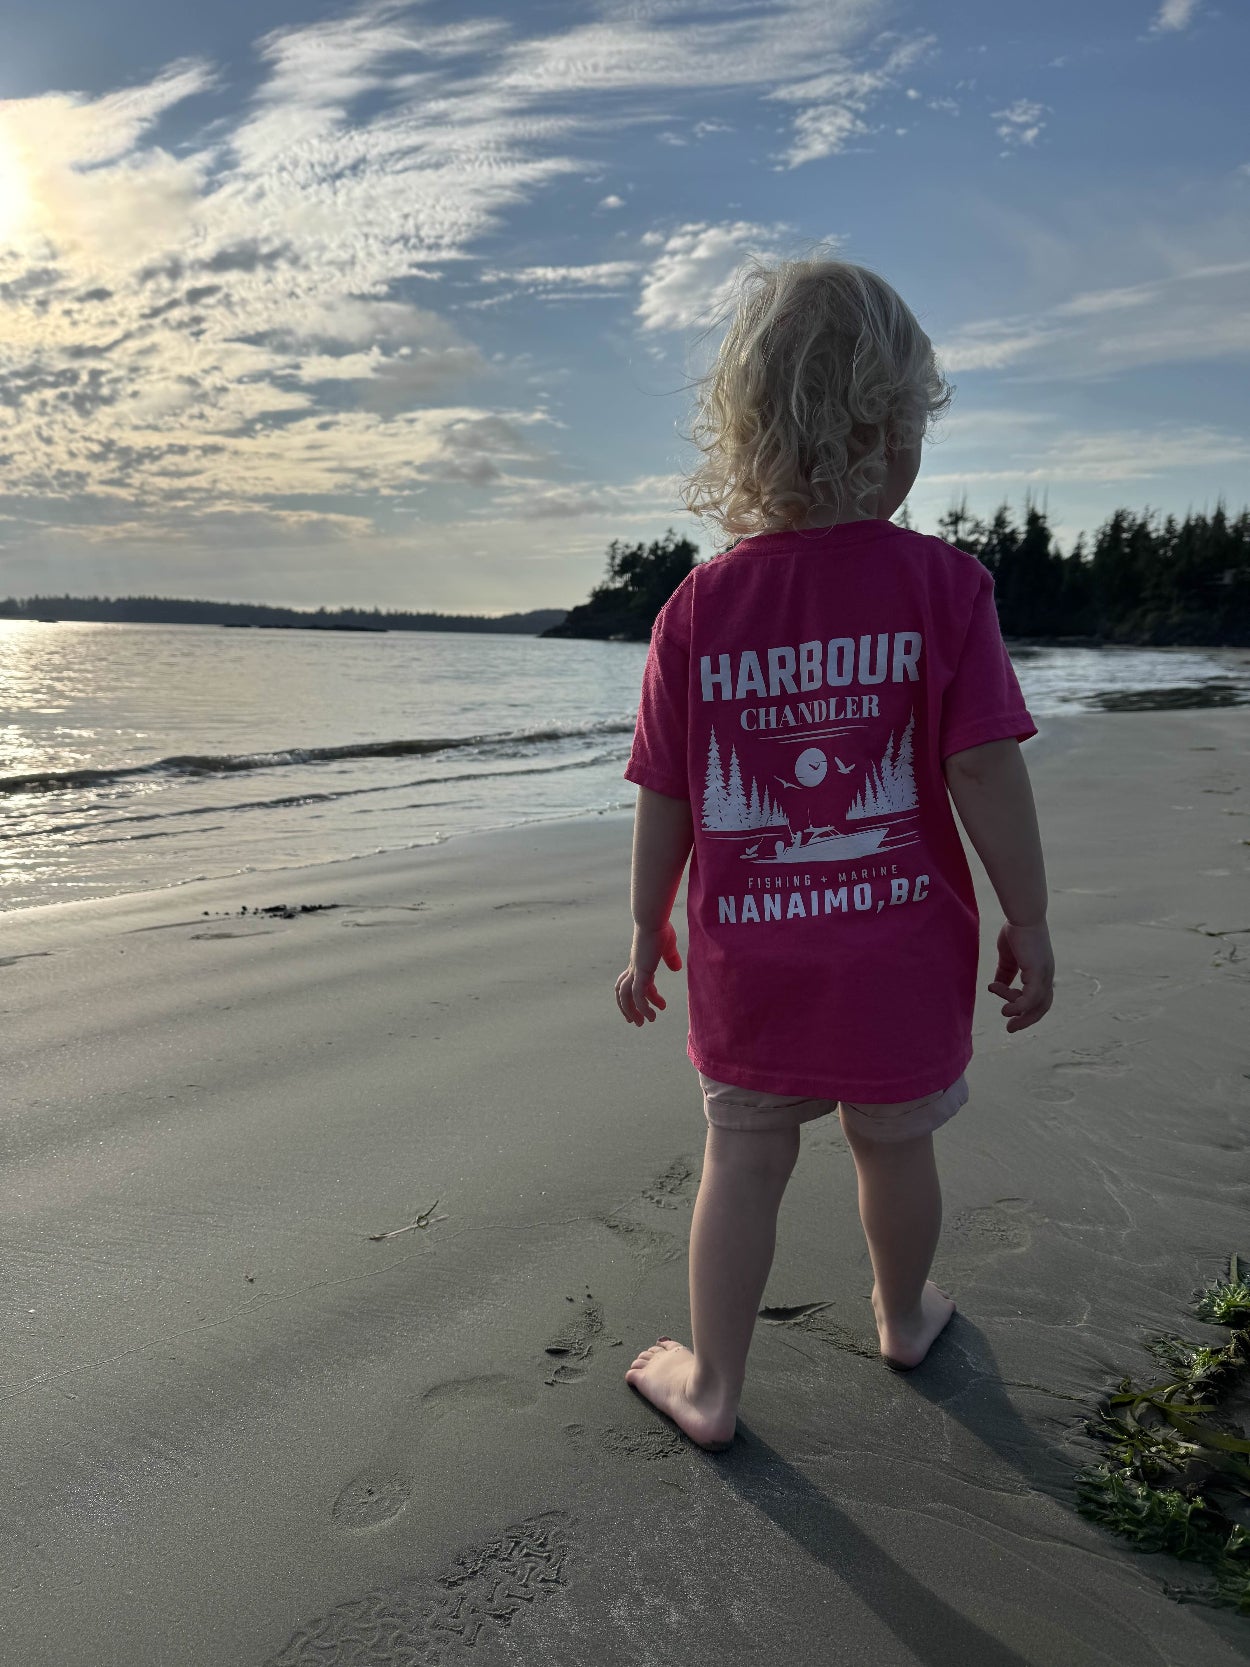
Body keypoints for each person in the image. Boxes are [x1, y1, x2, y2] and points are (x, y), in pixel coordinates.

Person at [614, 252, 1055, 1454]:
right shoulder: (942, 586)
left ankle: (712, 1383)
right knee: (893, 1141)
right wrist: (1026, 913)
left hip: (751, 959)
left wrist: (645, 921)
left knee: (743, 1155)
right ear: (892, 430)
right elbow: (981, 767)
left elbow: (666, 790)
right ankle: (901, 1315)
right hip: (899, 951)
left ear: (746, 436)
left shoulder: (695, 610)